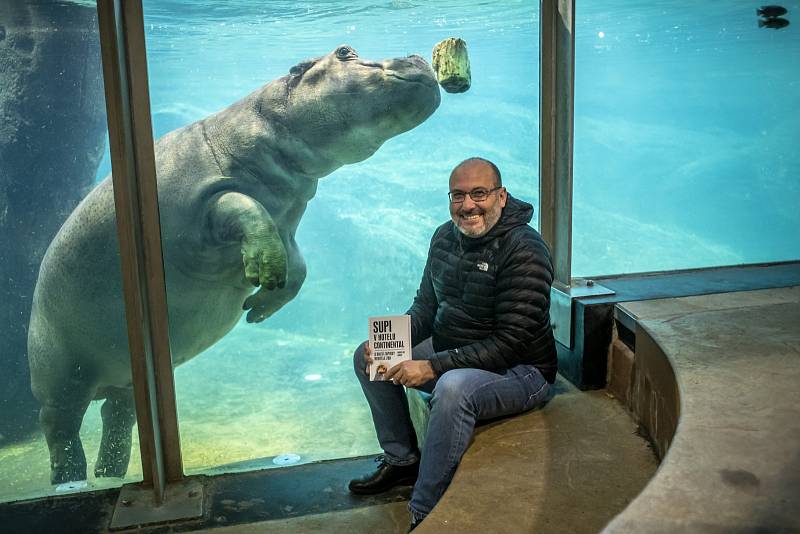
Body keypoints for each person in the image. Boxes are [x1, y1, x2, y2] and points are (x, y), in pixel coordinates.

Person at [349, 157, 558, 531]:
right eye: (458, 195)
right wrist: (388, 340)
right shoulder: (444, 236)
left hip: (520, 370)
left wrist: (432, 366)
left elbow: (510, 343)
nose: (468, 205)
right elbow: (425, 309)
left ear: (501, 196)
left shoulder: (525, 250)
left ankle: (425, 510)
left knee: (452, 387)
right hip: (454, 349)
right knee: (368, 357)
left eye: (479, 193)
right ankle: (401, 461)